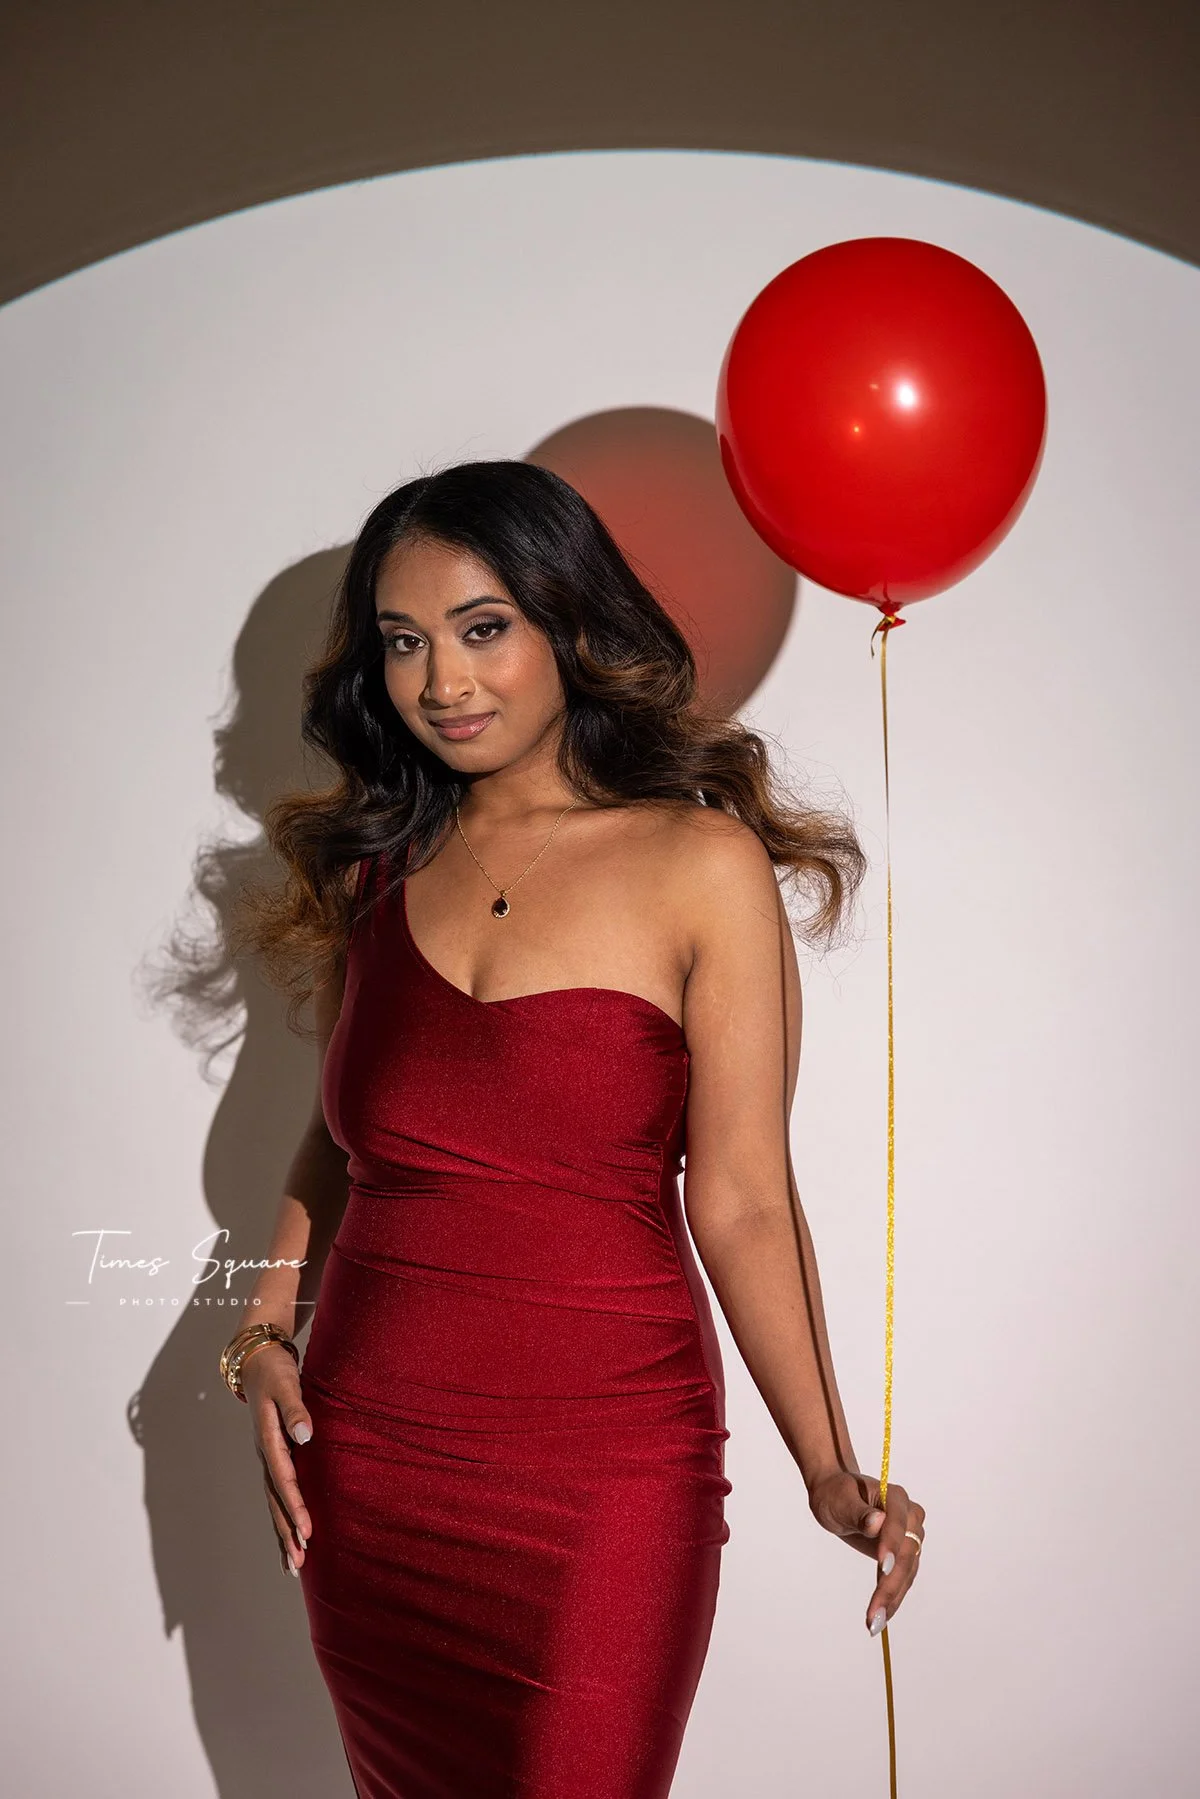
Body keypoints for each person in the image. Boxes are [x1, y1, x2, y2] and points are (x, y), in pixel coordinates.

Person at [221, 459, 926, 1798]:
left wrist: (829, 1470)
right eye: (405, 641)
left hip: (605, 1476)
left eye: (483, 628)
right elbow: (346, 1143)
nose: (443, 682)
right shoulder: (381, 873)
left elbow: (744, 1198)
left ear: (569, 624)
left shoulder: (696, 862)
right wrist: (265, 1331)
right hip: (372, 1468)